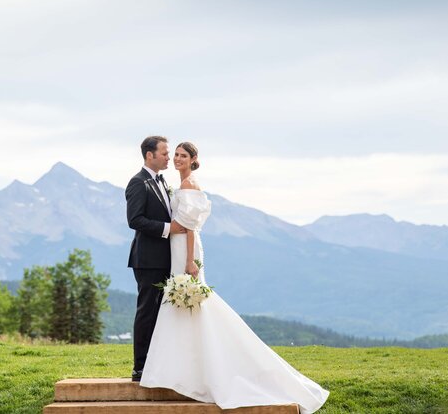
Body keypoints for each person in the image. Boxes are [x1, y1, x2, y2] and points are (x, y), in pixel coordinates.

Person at [139, 142, 330, 413]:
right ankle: (183, 370)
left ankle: (194, 371)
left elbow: (191, 227)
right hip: (176, 246)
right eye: (176, 155)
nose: (177, 159)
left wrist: (190, 261)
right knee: (184, 307)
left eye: (183, 155)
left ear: (194, 159)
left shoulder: (189, 184)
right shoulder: (180, 184)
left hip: (185, 249)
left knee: (191, 304)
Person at [125, 135, 188, 382]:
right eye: (164, 153)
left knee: (163, 313)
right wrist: (167, 229)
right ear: (149, 155)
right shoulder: (138, 183)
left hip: (166, 259)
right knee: (147, 312)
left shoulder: (162, 182)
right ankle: (140, 367)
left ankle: (158, 364)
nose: (168, 157)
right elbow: (135, 220)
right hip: (148, 259)